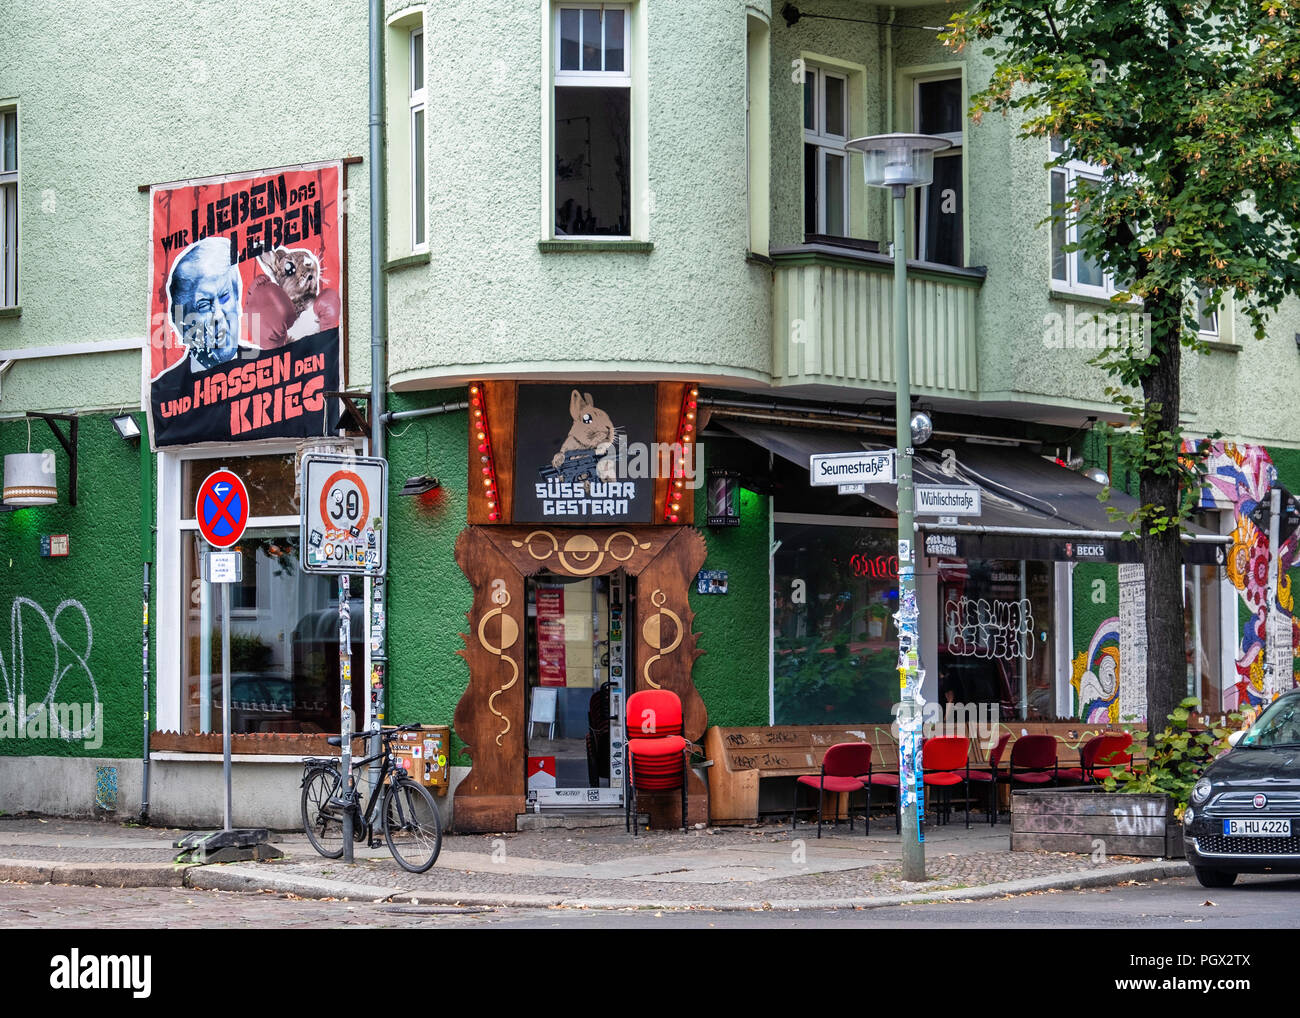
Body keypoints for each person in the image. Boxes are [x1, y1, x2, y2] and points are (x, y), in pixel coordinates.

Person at [167, 237, 243, 371]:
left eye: (224, 297)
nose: (218, 316)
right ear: (183, 326)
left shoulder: (273, 369)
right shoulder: (167, 389)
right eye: (204, 306)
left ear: (237, 300)